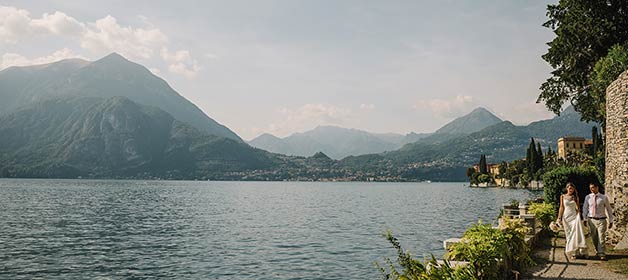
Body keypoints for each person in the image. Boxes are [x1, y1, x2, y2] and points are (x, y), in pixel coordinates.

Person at [582, 183, 614, 260]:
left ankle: (601, 253)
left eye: (592, 187)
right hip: (591, 220)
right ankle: (597, 251)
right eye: (590, 188)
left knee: (601, 237)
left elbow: (609, 209)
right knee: (594, 237)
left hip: (602, 220)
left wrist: (611, 220)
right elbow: (585, 208)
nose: (591, 189)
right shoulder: (588, 197)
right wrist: (585, 219)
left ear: (597, 188)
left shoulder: (603, 198)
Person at [556, 182, 587, 259]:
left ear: (574, 189)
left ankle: (575, 252)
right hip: (566, 217)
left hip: (574, 217)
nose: (571, 190)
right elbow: (561, 207)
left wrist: (579, 215)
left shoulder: (575, 197)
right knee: (568, 235)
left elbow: (578, 208)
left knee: (575, 234)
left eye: (572, 188)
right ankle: (572, 251)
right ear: (567, 188)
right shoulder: (562, 196)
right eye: (569, 188)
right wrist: (559, 218)